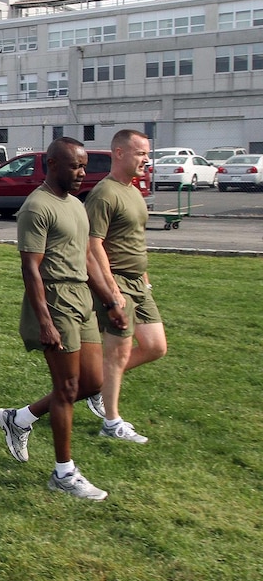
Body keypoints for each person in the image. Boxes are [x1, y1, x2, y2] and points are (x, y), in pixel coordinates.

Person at [0, 137, 107, 500]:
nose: (82, 172)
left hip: (82, 298)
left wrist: (109, 298)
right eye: (75, 165)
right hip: (55, 298)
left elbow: (87, 256)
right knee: (67, 389)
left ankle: (19, 418)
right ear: (52, 164)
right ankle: (63, 473)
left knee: (92, 384)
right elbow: (30, 267)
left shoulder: (76, 204)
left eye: (84, 165)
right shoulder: (36, 207)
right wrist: (44, 320)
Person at [85, 128, 168, 443]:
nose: (145, 160)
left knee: (155, 346)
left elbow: (135, 239)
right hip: (116, 282)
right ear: (119, 153)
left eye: (147, 154)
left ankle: (96, 387)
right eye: (140, 153)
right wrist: (111, 291)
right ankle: (111, 421)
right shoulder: (104, 194)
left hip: (138, 283)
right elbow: (94, 247)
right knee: (116, 354)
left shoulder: (133, 191)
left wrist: (144, 281)